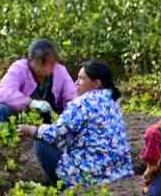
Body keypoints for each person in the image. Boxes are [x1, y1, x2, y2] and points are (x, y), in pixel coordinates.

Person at [17, 59, 133, 188]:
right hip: (118, 171)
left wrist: (31, 130)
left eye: (81, 79)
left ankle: (59, 185)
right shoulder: (112, 102)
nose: (76, 83)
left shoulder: (83, 103)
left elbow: (56, 133)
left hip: (90, 174)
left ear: (96, 83)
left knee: (41, 143)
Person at [0, 39, 78, 129]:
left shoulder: (60, 71)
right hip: (20, 117)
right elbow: (5, 92)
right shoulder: (19, 68)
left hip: (46, 122)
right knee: (4, 109)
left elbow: (72, 97)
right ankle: (6, 142)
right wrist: (31, 103)